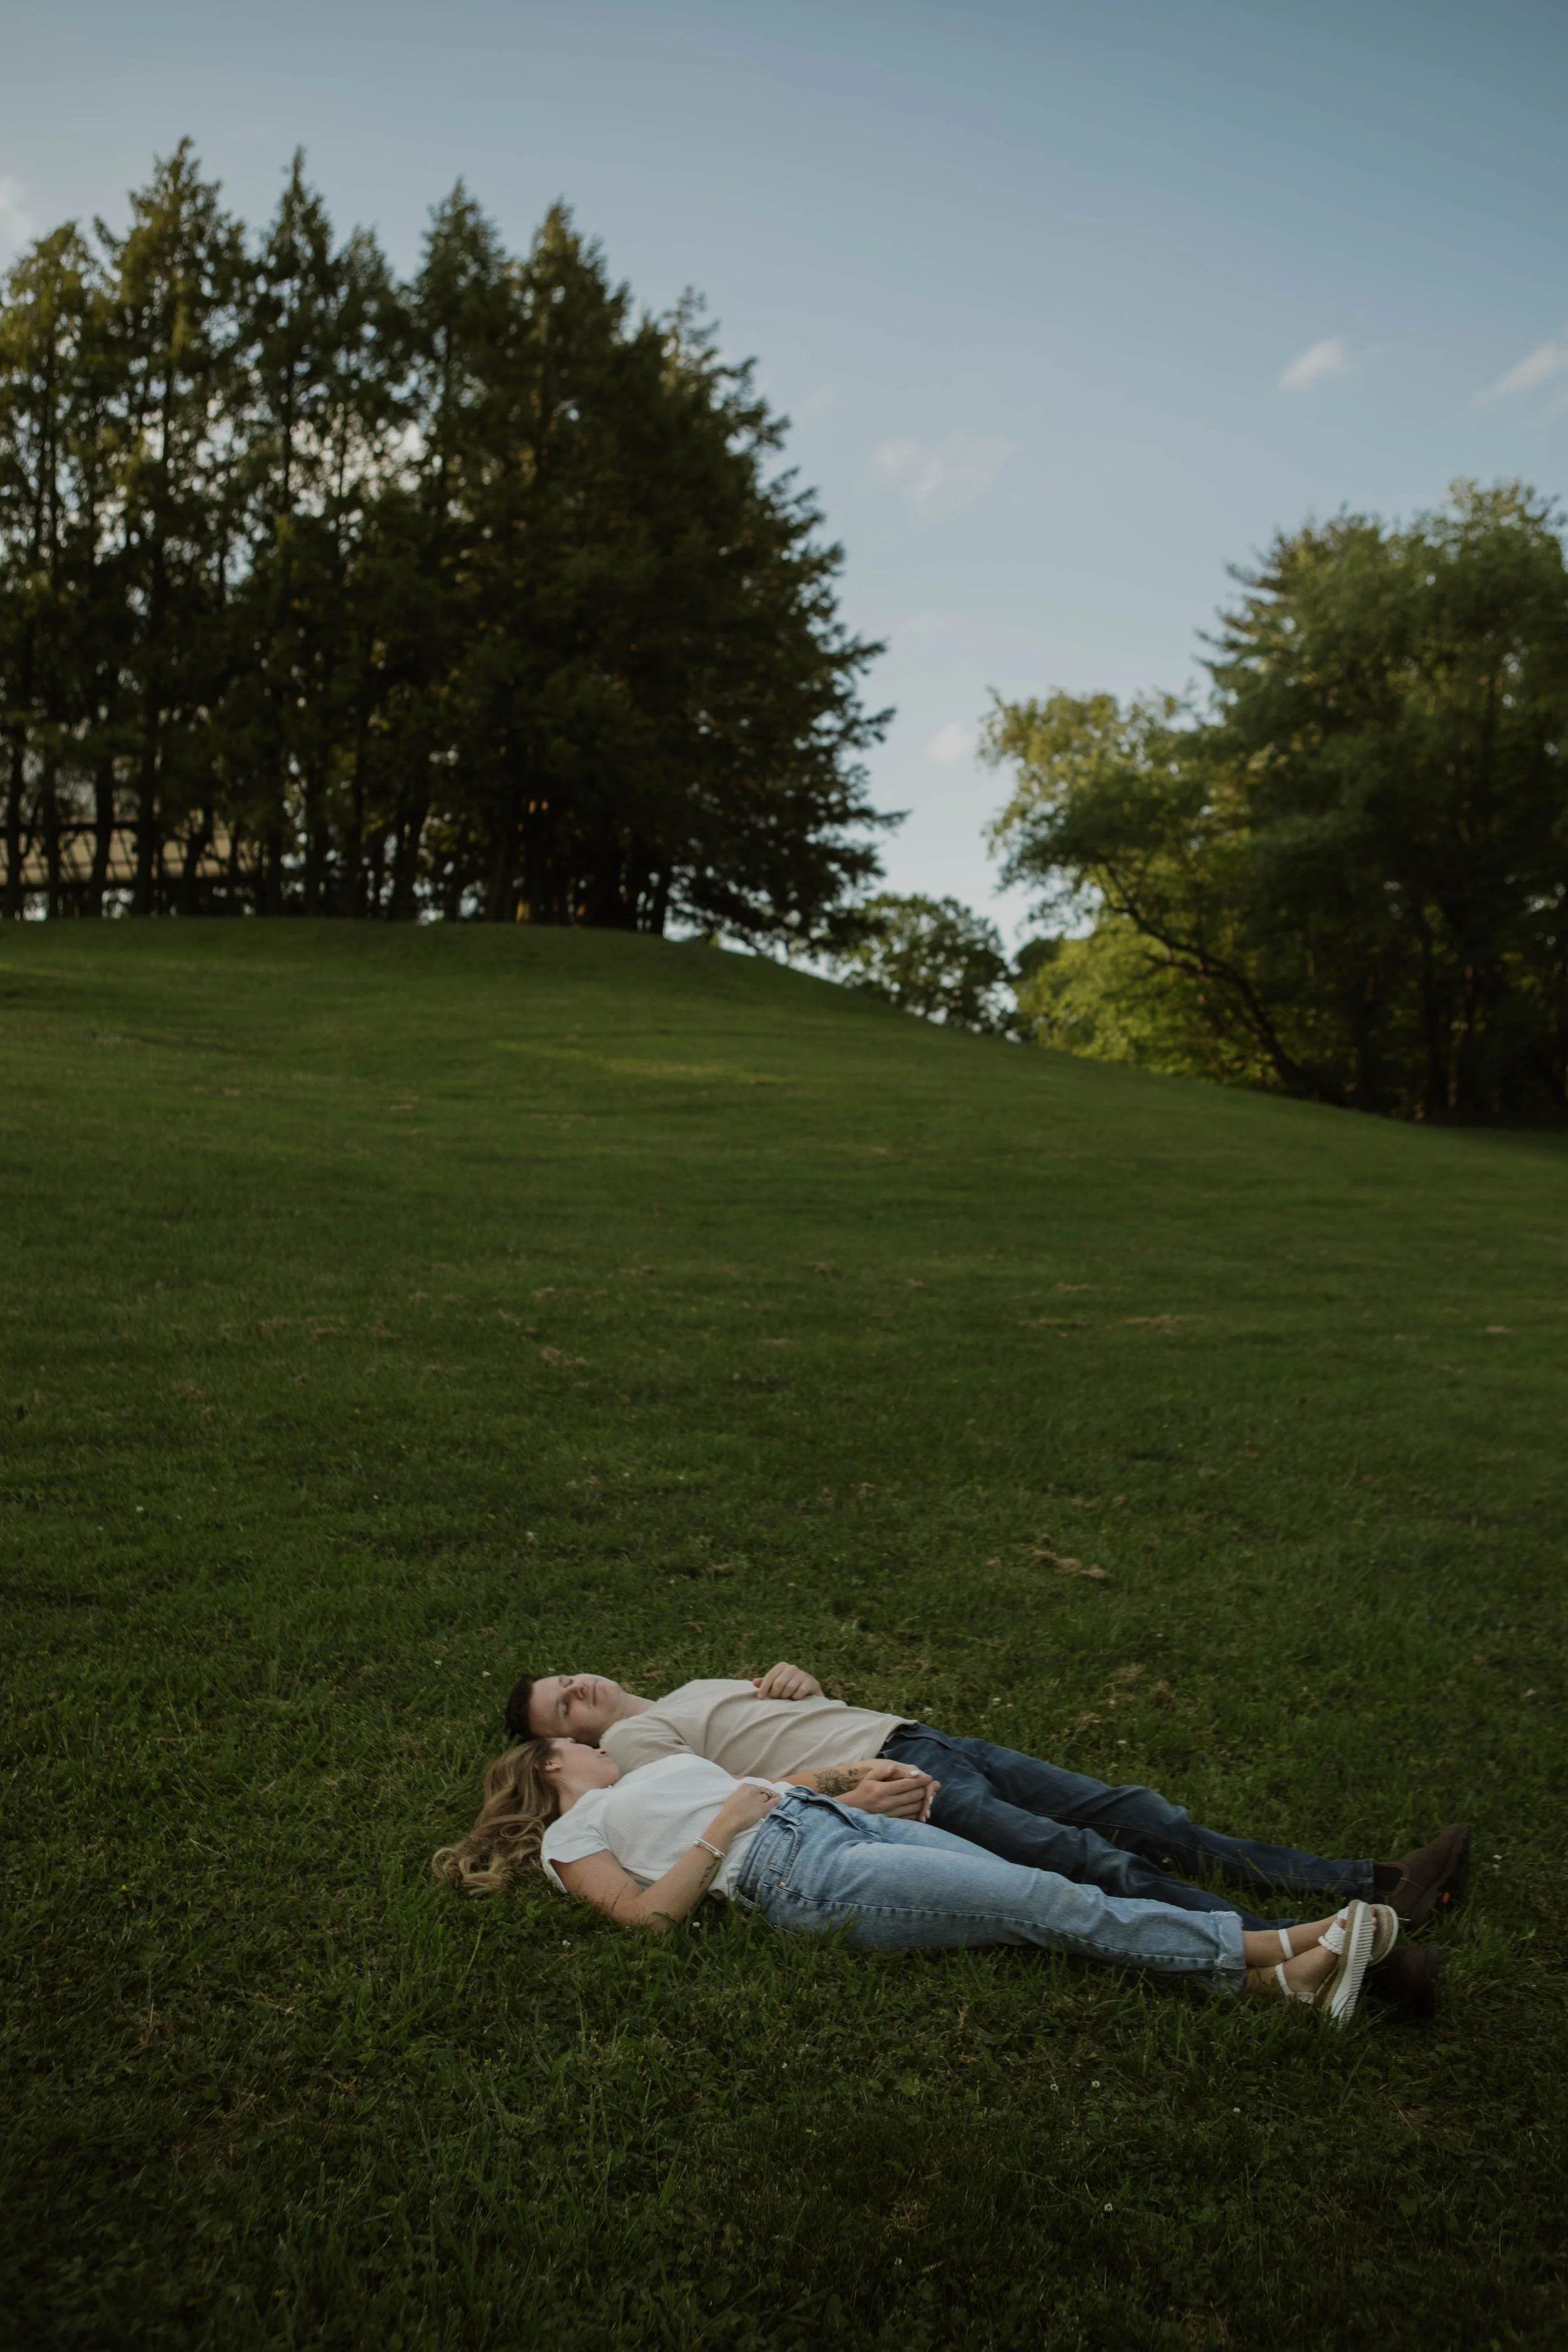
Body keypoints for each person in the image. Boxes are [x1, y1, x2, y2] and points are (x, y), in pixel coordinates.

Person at [504, 1660, 1466, 2012]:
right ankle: (1340, 1953)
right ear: (567, 1748)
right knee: (1092, 1863)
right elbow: (741, 1791)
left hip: (908, 1739)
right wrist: (844, 1785)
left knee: (1135, 1811)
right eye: (561, 1709)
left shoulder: (678, 1695)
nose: (577, 1692)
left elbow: (756, 1747)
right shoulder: (633, 1746)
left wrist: (791, 1677)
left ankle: (1374, 1882)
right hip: (891, 1782)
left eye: (566, 1677)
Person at [432, 1738, 1401, 2024]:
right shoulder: (574, 1839)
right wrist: (724, 1831)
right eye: (574, 1744)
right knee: (1042, 1903)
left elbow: (777, 1783)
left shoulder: (643, 1777)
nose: (593, 1747)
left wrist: (855, 1780)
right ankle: (1291, 1940)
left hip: (831, 1821)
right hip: (789, 1870)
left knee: (1043, 1892)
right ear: (548, 1767)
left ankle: (1278, 1984)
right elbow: (646, 1920)